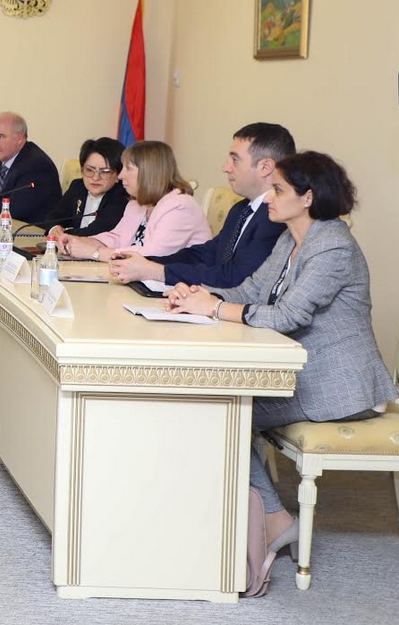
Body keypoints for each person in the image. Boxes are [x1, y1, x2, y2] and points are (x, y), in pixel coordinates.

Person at [165, 152, 396, 573]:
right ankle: (262, 517)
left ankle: (273, 519)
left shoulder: (333, 245)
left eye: (278, 189)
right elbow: (251, 290)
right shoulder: (292, 238)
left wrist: (213, 309)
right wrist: (199, 294)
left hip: (339, 387)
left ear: (308, 197)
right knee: (217, 406)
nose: (269, 197)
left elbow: (289, 315)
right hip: (299, 374)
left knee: (221, 411)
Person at [110, 123, 295, 287]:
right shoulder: (241, 209)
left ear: (265, 167)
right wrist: (148, 262)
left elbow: (235, 278)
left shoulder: (276, 218)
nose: (225, 167)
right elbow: (206, 254)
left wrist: (157, 271)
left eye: (235, 160)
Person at [58, 140, 209, 261]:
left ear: (149, 172)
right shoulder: (136, 204)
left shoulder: (180, 207)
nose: (120, 175)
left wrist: (94, 252)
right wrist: (78, 241)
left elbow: (151, 256)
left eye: (128, 168)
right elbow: (116, 238)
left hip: (180, 287)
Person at [45, 137, 129, 238]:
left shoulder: (122, 196)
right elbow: (54, 217)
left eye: (104, 172)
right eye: (89, 170)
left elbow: (95, 232)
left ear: (118, 175)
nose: (95, 177)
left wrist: (64, 234)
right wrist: (54, 228)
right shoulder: (77, 187)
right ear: (82, 170)